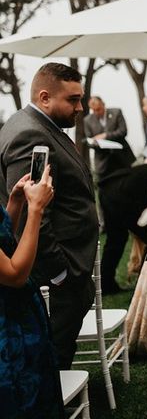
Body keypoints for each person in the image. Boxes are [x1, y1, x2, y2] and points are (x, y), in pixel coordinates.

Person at [0, 62, 99, 370]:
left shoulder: (38, 125)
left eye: (81, 98)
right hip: (58, 273)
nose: (80, 107)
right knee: (54, 354)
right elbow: (35, 212)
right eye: (72, 99)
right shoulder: (31, 135)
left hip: (68, 265)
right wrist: (59, 273)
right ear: (45, 97)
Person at [0, 166, 60, 417]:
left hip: (19, 319)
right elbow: (14, 274)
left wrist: (16, 203)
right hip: (7, 332)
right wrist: (36, 210)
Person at [98, 163, 147, 293]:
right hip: (119, 194)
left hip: (109, 188)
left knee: (116, 240)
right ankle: (143, 290)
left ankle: (106, 284)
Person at [83, 95, 135, 179]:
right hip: (103, 162)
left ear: (103, 104)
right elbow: (89, 140)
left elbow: (123, 131)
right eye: (93, 110)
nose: (96, 112)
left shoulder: (116, 112)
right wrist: (96, 142)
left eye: (98, 109)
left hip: (122, 158)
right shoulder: (87, 120)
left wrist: (105, 136)